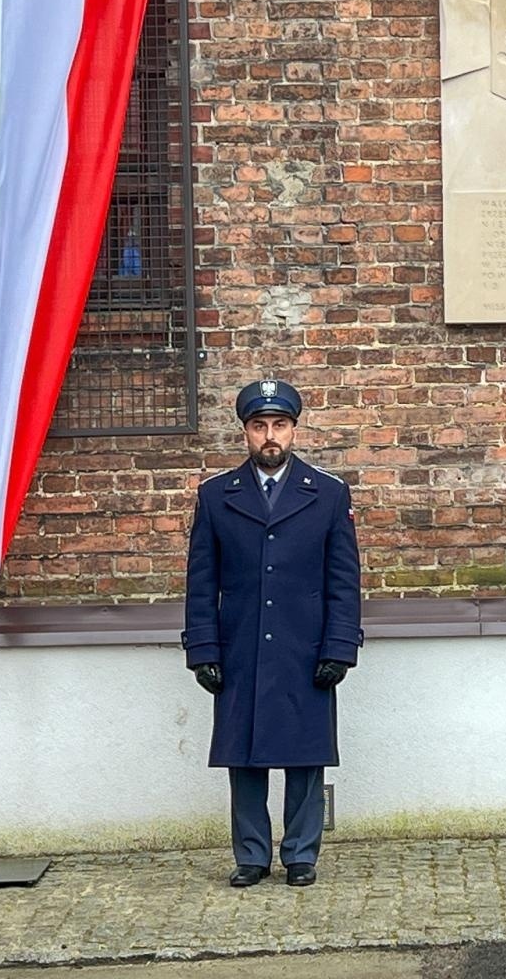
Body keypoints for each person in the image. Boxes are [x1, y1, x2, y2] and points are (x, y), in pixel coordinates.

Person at [182, 379, 364, 888]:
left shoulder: (327, 493)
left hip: (305, 645)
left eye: (279, 426)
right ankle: (252, 855)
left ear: (294, 430)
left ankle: (301, 854)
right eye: (259, 426)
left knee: (305, 754)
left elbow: (343, 578)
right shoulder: (217, 496)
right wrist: (202, 648)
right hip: (240, 643)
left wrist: (340, 646)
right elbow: (202, 579)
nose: (270, 436)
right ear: (245, 432)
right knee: (245, 756)